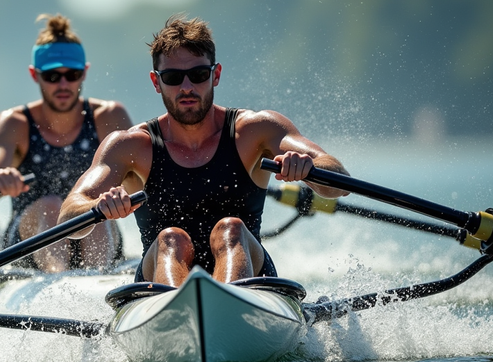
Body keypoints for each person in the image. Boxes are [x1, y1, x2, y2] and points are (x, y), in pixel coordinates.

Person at [58, 15, 349, 286]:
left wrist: (310, 170)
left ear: (216, 75)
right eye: (172, 77)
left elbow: (337, 180)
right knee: (171, 239)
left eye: (198, 74)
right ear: (156, 82)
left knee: (230, 229)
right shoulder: (131, 146)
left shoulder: (255, 130)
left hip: (252, 274)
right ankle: (182, 310)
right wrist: (97, 207)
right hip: (158, 282)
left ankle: (227, 301)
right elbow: (69, 215)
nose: (186, 87)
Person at [0, 14, 133, 272]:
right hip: (29, 244)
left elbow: (145, 179)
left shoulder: (109, 117)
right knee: (51, 206)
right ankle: (59, 284)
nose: (63, 84)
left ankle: (94, 281)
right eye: (52, 76)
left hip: (97, 235)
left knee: (90, 208)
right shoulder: (15, 123)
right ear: (35, 75)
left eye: (72, 74)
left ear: (85, 73)